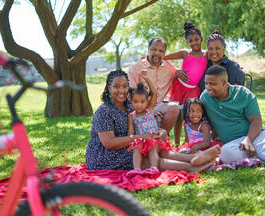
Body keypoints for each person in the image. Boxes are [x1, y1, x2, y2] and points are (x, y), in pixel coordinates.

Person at [85, 69, 221, 172]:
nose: (122, 90)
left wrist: (159, 131)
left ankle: (197, 158)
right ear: (109, 88)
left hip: (130, 146)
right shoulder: (103, 111)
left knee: (157, 149)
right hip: (106, 156)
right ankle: (192, 167)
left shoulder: (130, 104)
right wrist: (142, 137)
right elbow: (109, 143)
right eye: (116, 86)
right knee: (150, 159)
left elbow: (145, 119)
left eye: (125, 86)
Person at [200, 65, 265, 176]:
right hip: (234, 144)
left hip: (257, 134)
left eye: (212, 84)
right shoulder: (205, 97)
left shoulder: (243, 94)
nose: (208, 87)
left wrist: (248, 139)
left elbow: (256, 120)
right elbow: (198, 117)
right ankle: (260, 157)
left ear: (223, 83)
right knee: (225, 154)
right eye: (206, 83)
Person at [128, 37, 188, 147]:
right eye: (154, 49)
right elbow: (131, 93)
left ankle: (160, 140)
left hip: (159, 106)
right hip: (142, 106)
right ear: (148, 50)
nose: (157, 53)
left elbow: (178, 71)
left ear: (164, 53)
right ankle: (153, 142)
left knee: (175, 108)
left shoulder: (169, 67)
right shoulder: (136, 67)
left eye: (161, 51)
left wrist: (179, 72)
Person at [128, 71, 172, 171]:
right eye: (135, 102)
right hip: (141, 141)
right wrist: (131, 143)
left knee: (152, 147)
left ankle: (154, 168)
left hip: (155, 139)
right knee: (136, 148)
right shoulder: (131, 116)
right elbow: (130, 133)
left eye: (142, 102)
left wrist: (146, 78)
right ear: (131, 101)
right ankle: (137, 169)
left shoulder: (150, 110)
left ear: (147, 101)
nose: (139, 105)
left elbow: (154, 92)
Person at [164, 22, 207, 105]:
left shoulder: (206, 55)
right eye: (190, 41)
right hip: (180, 87)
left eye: (196, 39)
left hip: (193, 89)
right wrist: (176, 71)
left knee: (188, 110)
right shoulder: (185, 53)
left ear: (201, 39)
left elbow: (219, 57)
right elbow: (164, 58)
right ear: (187, 43)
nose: (194, 43)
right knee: (175, 109)